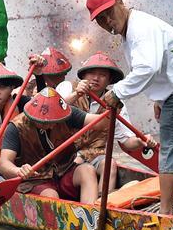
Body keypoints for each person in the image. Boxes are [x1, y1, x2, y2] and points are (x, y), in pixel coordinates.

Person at [87, 0, 173, 216]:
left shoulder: (139, 28)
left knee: (170, 154)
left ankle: (165, 215)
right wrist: (160, 98)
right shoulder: (131, 30)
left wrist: (117, 92)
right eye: (99, 19)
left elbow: (147, 67)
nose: (106, 21)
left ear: (120, 2)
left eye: (108, 12)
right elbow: (159, 65)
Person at [68, 51, 158, 192]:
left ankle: (103, 203)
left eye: (102, 75)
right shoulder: (68, 88)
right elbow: (53, 109)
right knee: (76, 164)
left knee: (109, 165)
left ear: (110, 81)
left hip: (94, 153)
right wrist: (76, 95)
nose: (96, 78)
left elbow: (126, 141)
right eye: (92, 73)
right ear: (84, 76)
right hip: (65, 154)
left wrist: (141, 141)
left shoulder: (116, 103)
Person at [0, 87, 103, 202]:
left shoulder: (65, 113)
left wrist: (113, 103)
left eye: (54, 121)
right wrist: (18, 171)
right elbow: (4, 163)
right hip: (36, 179)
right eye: (45, 122)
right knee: (50, 195)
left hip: (64, 170)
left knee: (87, 170)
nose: (52, 125)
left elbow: (101, 123)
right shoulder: (16, 127)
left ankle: (90, 215)